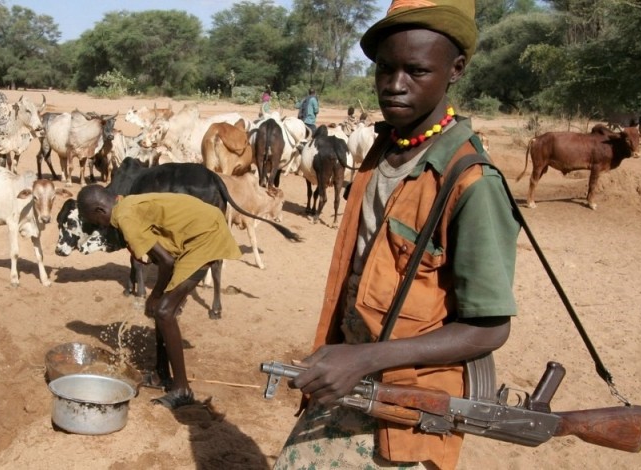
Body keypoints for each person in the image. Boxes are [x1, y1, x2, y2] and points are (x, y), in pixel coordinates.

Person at [273, 1, 520, 469]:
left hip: (409, 405)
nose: (394, 84)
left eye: (416, 70)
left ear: (456, 70)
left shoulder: (471, 183)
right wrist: (349, 356)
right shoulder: (381, 151)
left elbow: (489, 327)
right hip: (353, 378)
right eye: (385, 69)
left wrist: (363, 359)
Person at [77, 186, 241, 409]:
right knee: (161, 310)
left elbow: (166, 262)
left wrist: (154, 296)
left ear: (99, 210)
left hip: (205, 236)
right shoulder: (126, 203)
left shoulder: (123, 216)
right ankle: (160, 374)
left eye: (97, 222)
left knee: (163, 311)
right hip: (201, 229)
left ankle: (182, 390)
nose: (101, 227)